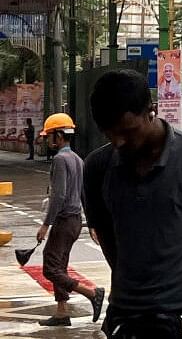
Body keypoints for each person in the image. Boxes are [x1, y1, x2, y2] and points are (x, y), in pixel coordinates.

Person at [83, 69, 182, 339]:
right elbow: (106, 234)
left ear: (150, 110)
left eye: (127, 131)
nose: (118, 142)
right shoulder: (97, 167)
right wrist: (130, 282)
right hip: (125, 315)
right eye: (109, 134)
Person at [36, 113, 105, 327]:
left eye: (49, 136)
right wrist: (91, 224)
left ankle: (92, 293)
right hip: (75, 222)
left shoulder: (60, 160)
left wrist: (46, 225)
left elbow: (59, 195)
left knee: (50, 267)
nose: (48, 140)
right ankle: (61, 311)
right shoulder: (77, 159)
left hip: (64, 221)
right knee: (60, 265)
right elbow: (85, 194)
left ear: (58, 135)